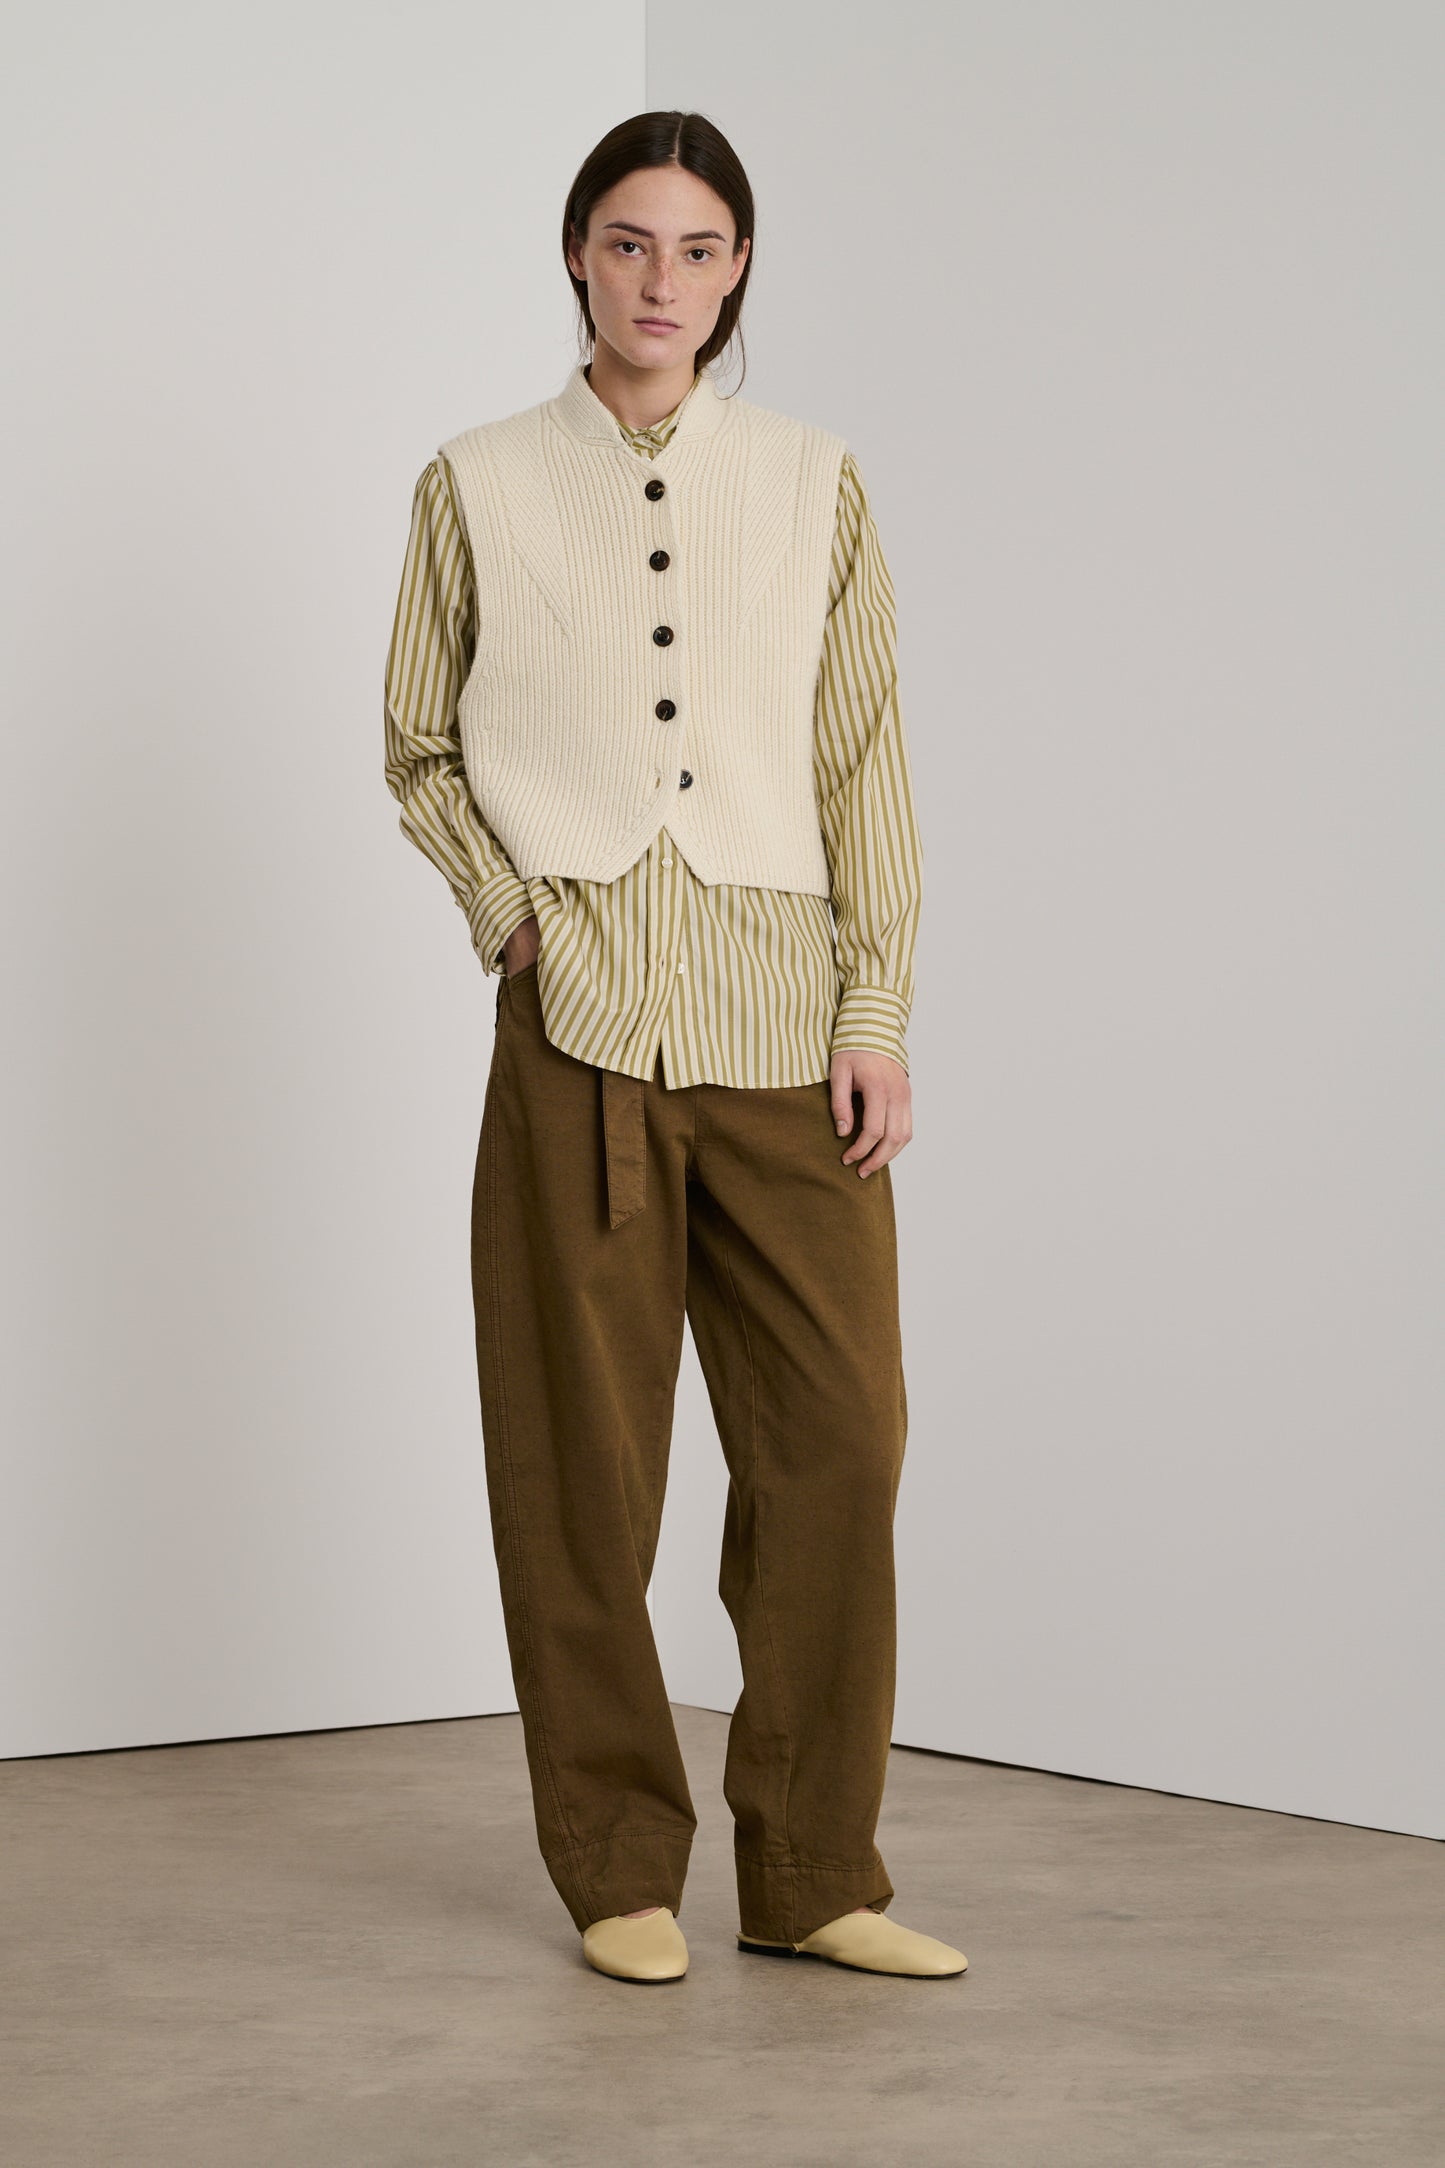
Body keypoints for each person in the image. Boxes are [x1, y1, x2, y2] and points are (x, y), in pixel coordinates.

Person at [383, 109, 965, 1985]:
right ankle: (619, 1864)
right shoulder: (476, 480)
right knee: (582, 1473)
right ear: (577, 253)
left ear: (738, 272)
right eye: (629, 243)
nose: (661, 282)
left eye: (699, 249)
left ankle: (812, 1871)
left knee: (839, 1445)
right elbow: (417, 742)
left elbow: (862, 755)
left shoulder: (812, 481)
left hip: (785, 1031)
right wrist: (511, 914)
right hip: (580, 1034)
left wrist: (872, 1012)